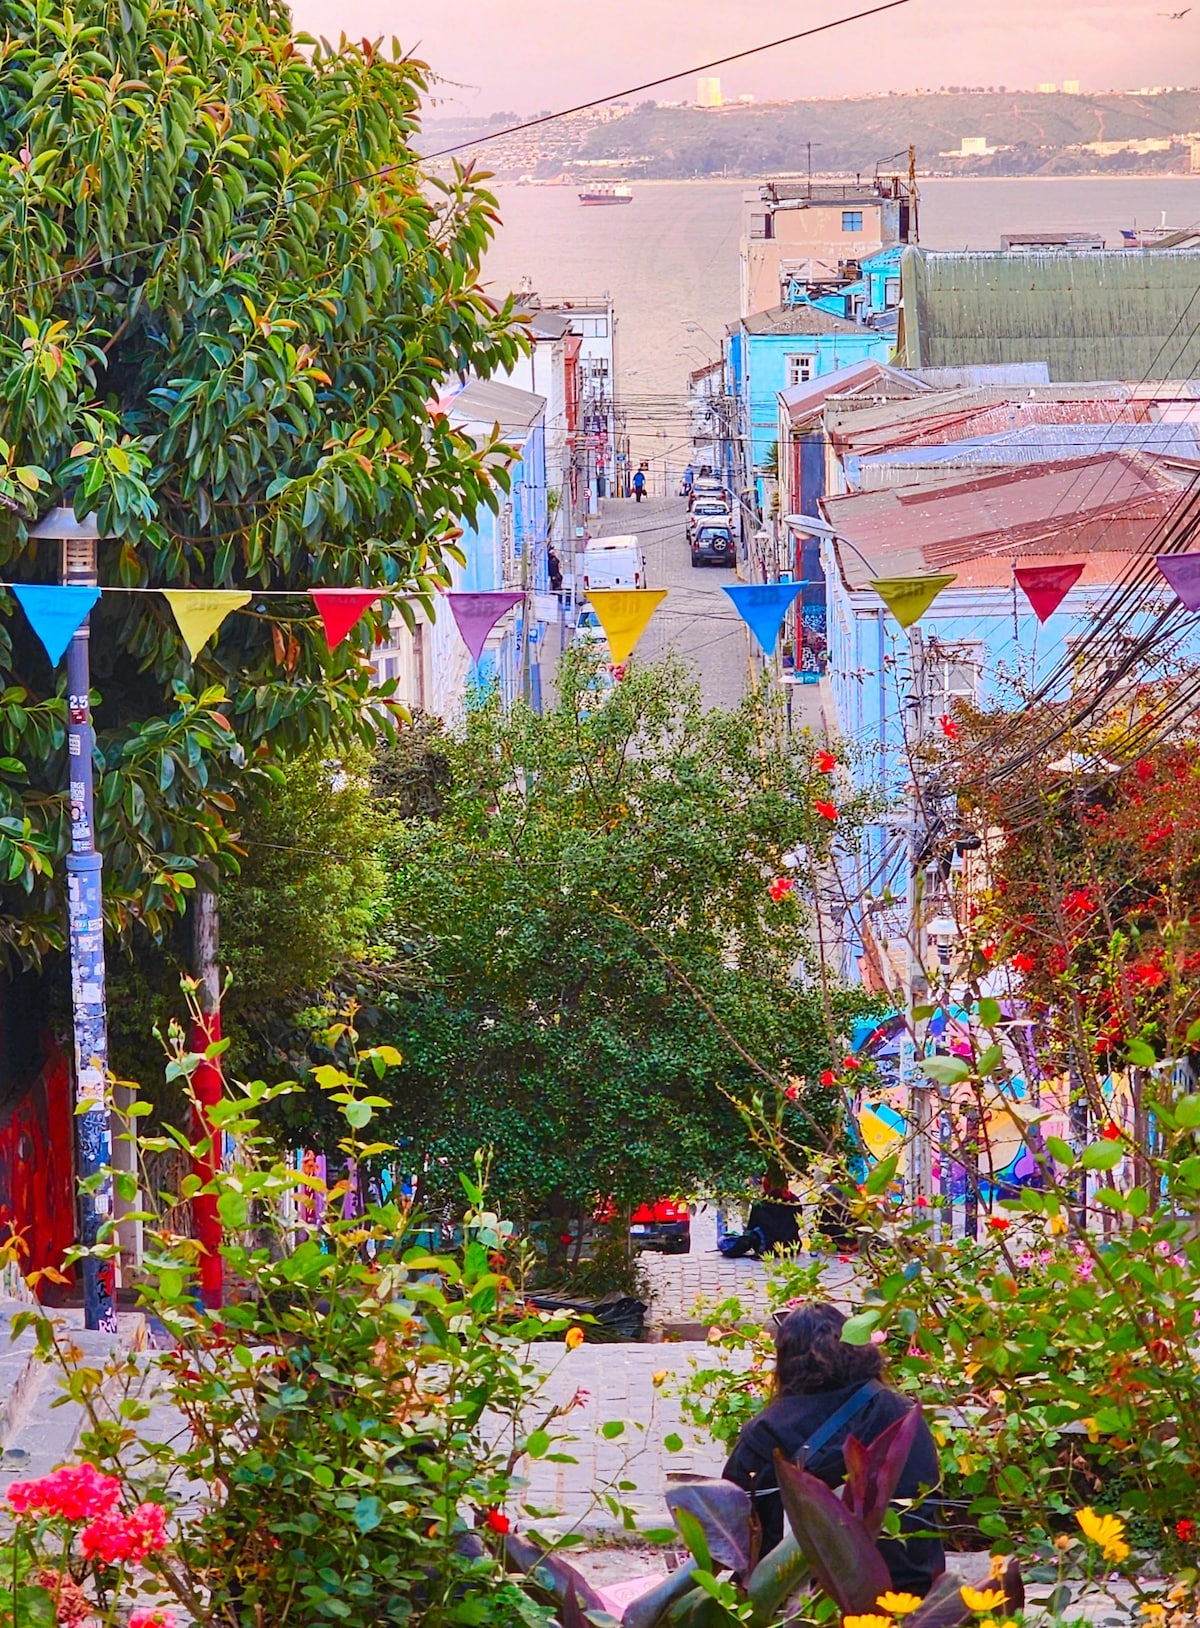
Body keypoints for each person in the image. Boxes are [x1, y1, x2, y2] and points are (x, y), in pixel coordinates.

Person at [723, 1302, 944, 1593]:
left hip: (821, 1602)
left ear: (786, 1362)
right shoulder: (902, 1414)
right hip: (915, 1590)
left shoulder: (767, 1430)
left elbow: (737, 1532)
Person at [717, 1174, 801, 1258]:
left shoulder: (761, 1203)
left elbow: (751, 1228)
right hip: (792, 1247)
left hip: (767, 1249)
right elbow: (798, 1224)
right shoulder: (794, 1201)